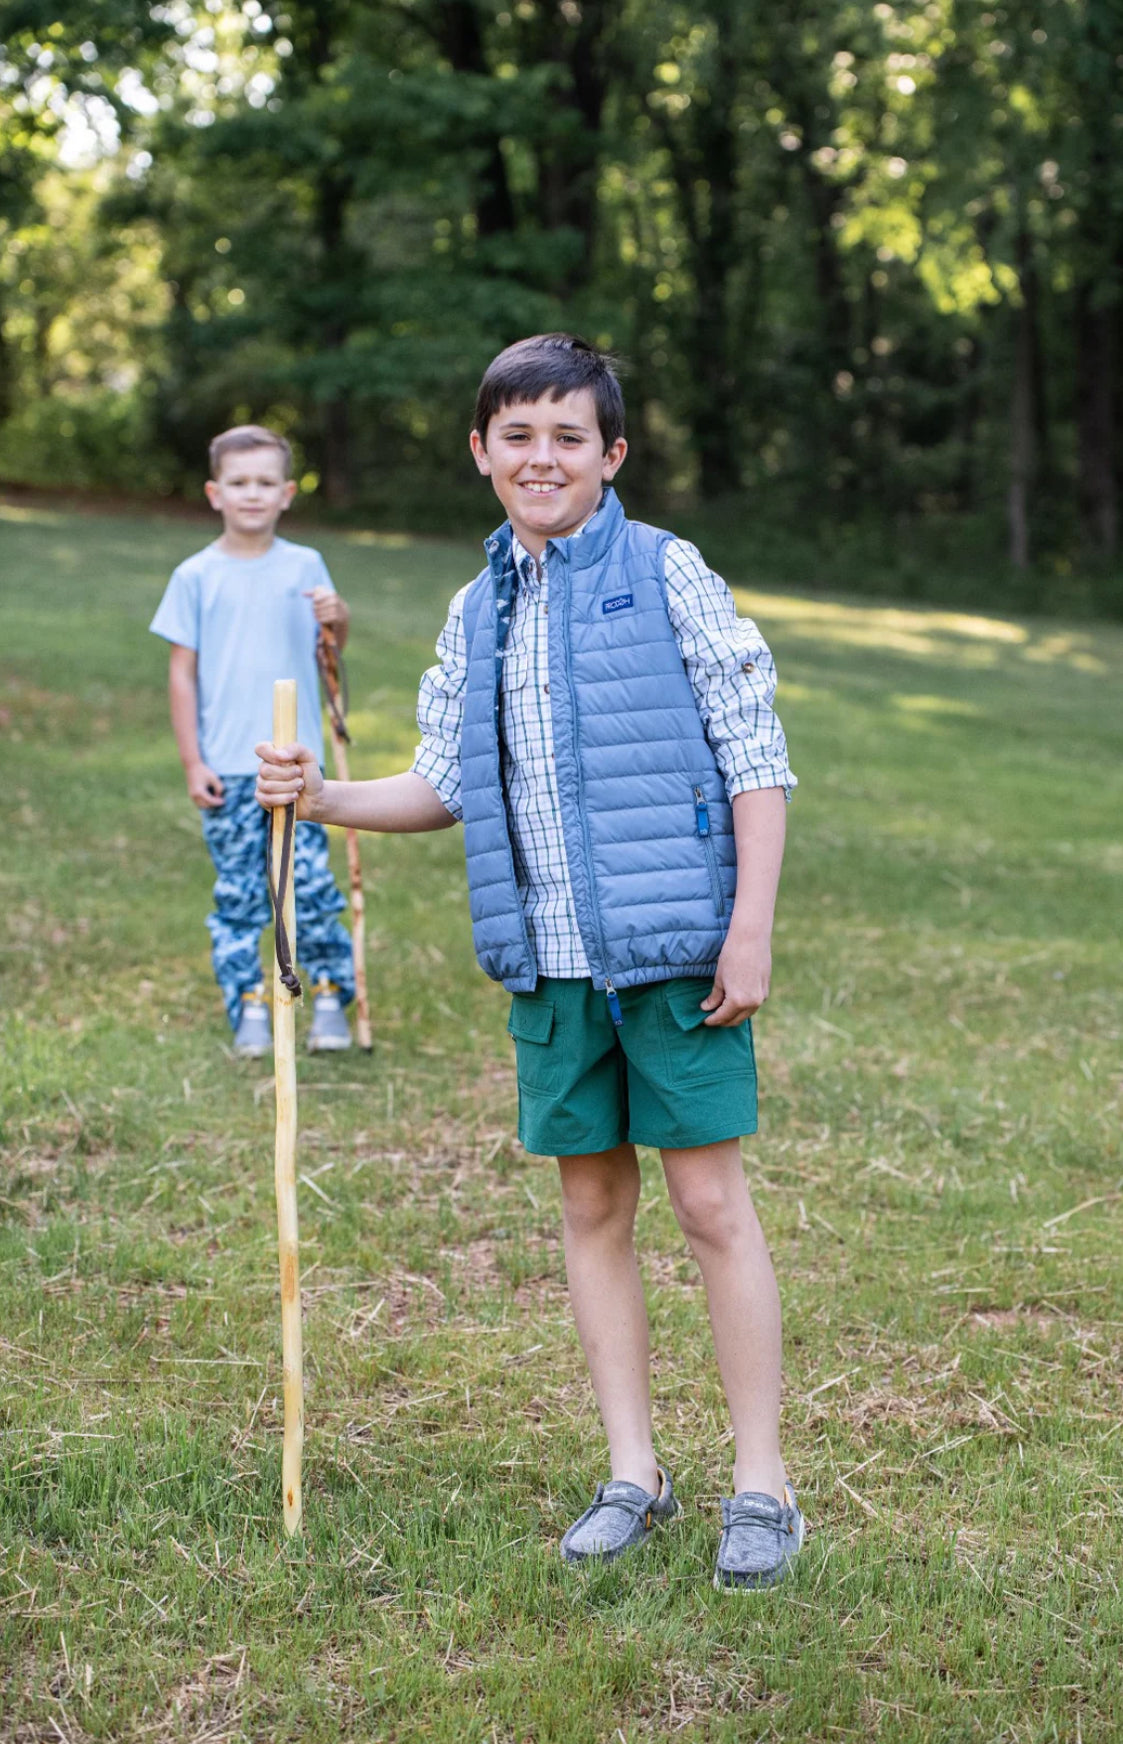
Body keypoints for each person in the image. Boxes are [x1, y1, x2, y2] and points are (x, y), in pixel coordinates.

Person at [255, 336, 803, 1588]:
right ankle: (634, 1472)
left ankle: (762, 1485)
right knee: (590, 1207)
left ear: (609, 454)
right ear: (482, 452)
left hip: (676, 952)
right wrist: (321, 792)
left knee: (710, 1205)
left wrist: (750, 926)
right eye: (518, 436)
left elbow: (752, 752)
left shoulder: (668, 573)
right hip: (548, 966)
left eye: (568, 437)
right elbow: (445, 778)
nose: (541, 457)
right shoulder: (478, 604)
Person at [151, 424, 356, 1057]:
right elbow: (182, 675)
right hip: (231, 765)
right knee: (241, 893)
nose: (252, 494)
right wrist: (193, 761)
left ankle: (326, 996)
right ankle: (250, 1004)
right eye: (238, 483)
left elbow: (330, 656)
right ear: (215, 492)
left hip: (298, 766)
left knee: (311, 887)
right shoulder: (195, 575)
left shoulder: (305, 566)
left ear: (287, 493)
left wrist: (337, 619)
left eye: (266, 483)